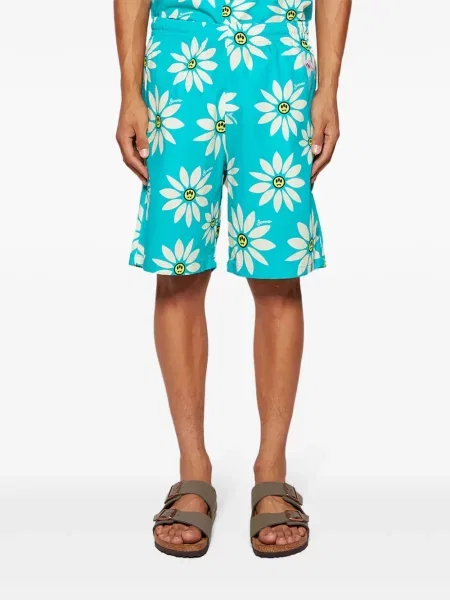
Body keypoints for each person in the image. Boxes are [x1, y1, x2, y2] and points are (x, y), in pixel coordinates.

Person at [115, 0, 351, 558]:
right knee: (178, 269)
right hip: (179, 56)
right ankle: (192, 469)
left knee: (277, 273)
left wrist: (329, 88)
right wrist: (129, 90)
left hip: (277, 59)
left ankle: (272, 471)